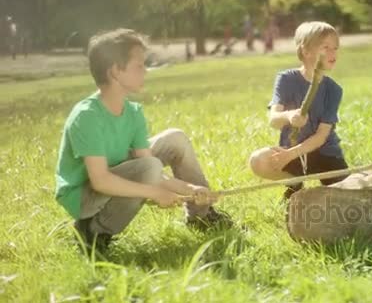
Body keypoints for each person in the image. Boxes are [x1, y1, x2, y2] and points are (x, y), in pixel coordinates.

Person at [55, 29, 228, 253]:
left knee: (174, 139)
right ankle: (94, 232)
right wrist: (156, 193)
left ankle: (201, 216)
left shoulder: (133, 112)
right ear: (116, 71)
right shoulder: (87, 116)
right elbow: (101, 181)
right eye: (139, 65)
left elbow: (152, 171)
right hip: (84, 197)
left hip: (117, 172)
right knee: (149, 168)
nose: (145, 70)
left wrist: (190, 189)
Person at [249, 21, 348, 199]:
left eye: (335, 48)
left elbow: (321, 137)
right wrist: (288, 116)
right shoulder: (286, 79)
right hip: (292, 153)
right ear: (306, 51)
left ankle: (328, 188)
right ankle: (295, 183)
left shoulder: (334, 90)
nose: (333, 53)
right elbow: (274, 120)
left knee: (345, 196)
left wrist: (290, 155)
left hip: (326, 155)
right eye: (326, 47)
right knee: (258, 160)